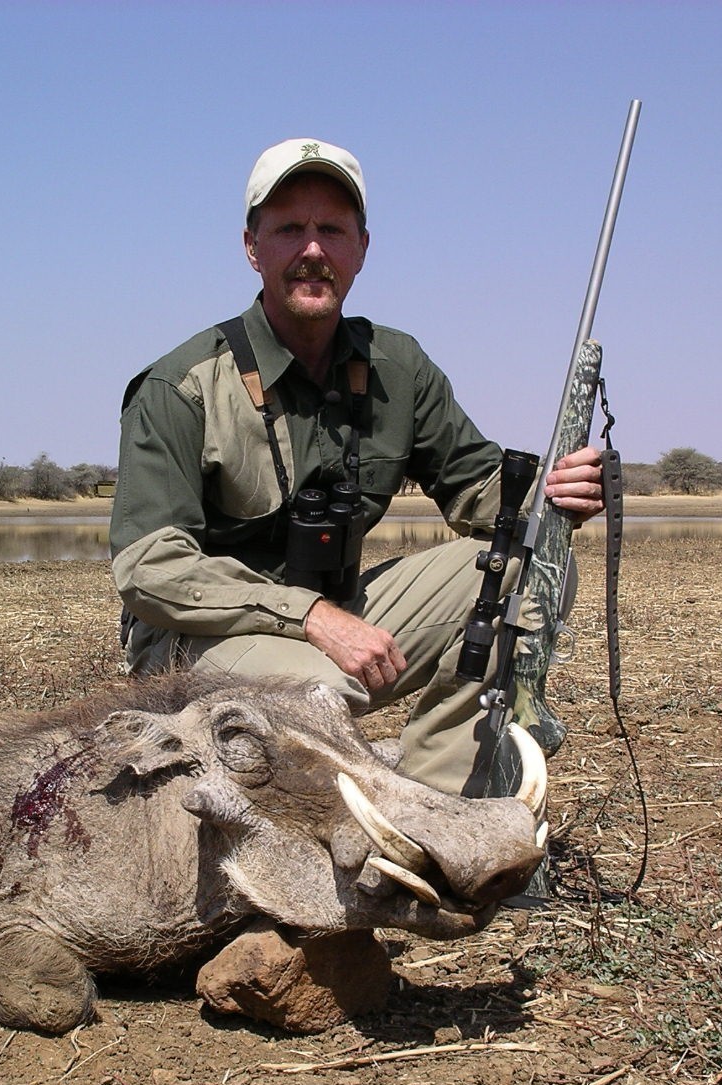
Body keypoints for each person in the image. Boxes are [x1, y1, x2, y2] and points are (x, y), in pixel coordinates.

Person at [111, 137, 604, 796]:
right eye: (289, 228)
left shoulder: (398, 365)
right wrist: (311, 616)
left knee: (532, 565)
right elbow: (148, 568)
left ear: (361, 249)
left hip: (338, 618)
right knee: (317, 689)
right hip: (201, 638)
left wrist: (548, 490)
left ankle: (437, 821)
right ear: (252, 247)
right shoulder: (183, 384)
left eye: (331, 230)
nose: (312, 249)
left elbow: (477, 487)